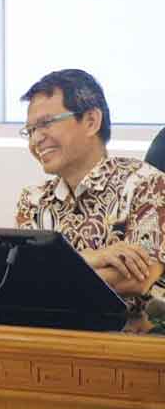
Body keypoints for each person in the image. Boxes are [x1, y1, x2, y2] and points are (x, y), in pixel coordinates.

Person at [15, 69, 165, 300]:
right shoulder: (33, 201)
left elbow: (135, 279)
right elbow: (20, 276)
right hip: (52, 322)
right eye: (30, 130)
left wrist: (49, 272)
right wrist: (91, 257)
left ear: (91, 121)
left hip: (130, 324)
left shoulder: (147, 184)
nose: (36, 139)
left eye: (46, 123)